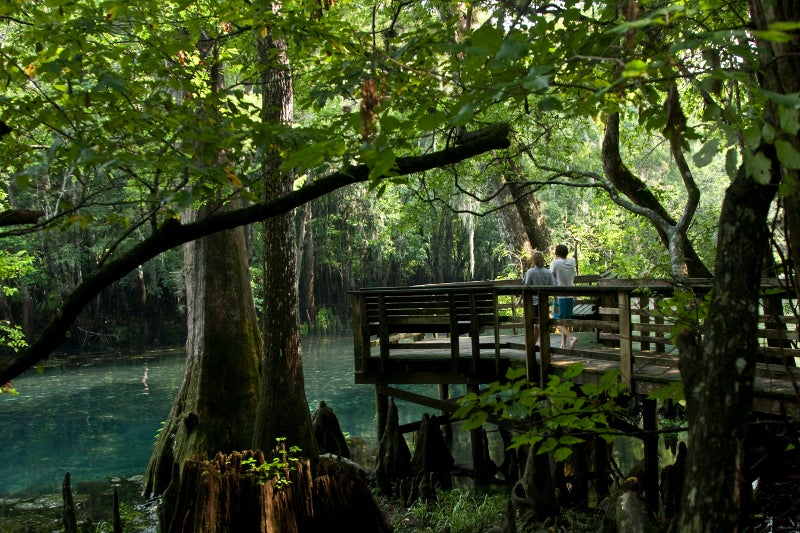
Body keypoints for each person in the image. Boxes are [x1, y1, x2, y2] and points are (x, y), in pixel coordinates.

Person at [523, 250, 555, 345]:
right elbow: (553, 287)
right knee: (543, 324)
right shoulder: (548, 273)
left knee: (534, 325)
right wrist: (555, 303)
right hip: (545, 302)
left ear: (533, 261)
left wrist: (520, 300)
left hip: (533, 303)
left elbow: (526, 286)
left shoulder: (530, 272)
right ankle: (544, 346)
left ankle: (531, 346)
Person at [551, 243, 578, 349]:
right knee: (565, 321)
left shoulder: (555, 263)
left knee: (556, 321)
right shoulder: (572, 261)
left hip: (559, 297)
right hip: (570, 296)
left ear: (556, 253)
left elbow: (550, 276)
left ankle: (571, 338)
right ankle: (563, 344)